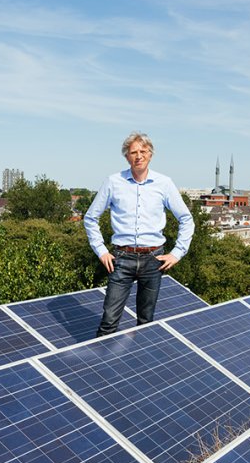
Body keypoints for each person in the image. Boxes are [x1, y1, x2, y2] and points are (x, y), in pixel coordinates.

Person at [83, 131, 194, 337]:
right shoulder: (113, 182)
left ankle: (139, 362)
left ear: (151, 154)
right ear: (126, 156)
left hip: (154, 259)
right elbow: (90, 218)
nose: (139, 156)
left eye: (143, 151)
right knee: (108, 321)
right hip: (121, 258)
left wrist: (177, 253)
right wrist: (101, 251)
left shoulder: (164, 183)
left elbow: (187, 219)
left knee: (146, 321)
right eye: (133, 152)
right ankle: (103, 363)